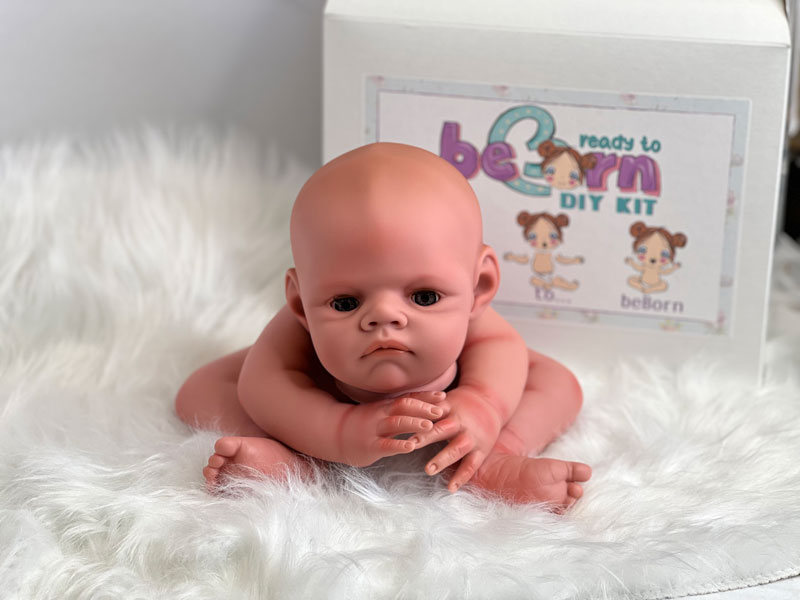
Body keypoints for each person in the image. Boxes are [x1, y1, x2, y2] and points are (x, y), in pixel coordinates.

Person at [175, 142, 591, 509]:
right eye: (346, 303)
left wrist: (483, 403)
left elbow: (501, 347)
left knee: (557, 383)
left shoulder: (474, 311)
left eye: (424, 297)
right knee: (207, 388)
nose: (384, 317)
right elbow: (266, 384)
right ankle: (292, 459)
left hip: (452, 397)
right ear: (300, 302)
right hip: (327, 396)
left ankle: (493, 456)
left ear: (478, 286)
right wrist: (340, 430)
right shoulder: (293, 328)